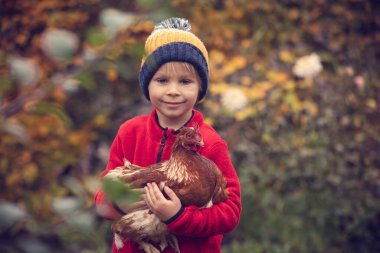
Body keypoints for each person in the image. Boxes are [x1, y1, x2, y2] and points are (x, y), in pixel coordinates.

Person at [94, 17, 241, 253]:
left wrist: (178, 216)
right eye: (162, 80)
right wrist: (117, 204)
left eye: (185, 81)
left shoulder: (210, 143)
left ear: (199, 88)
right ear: (147, 85)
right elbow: (103, 191)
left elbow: (230, 212)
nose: (173, 91)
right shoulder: (129, 133)